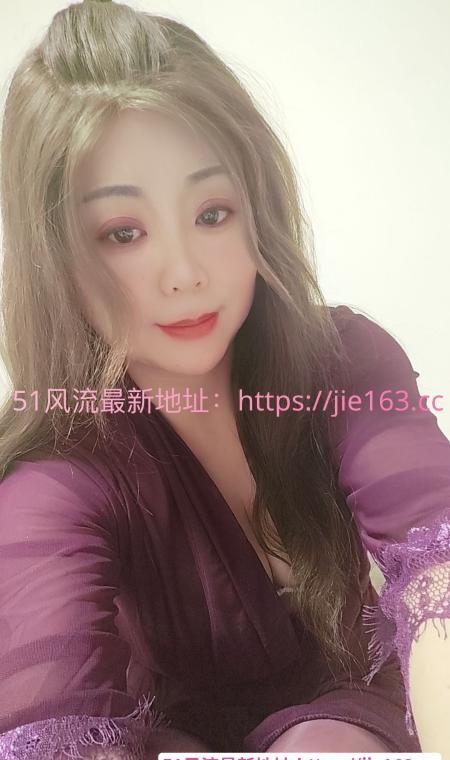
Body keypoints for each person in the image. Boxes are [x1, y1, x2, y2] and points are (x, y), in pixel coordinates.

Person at [0, 1, 449, 758]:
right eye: (123, 233)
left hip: (357, 724)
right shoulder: (59, 468)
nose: (185, 274)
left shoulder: (339, 361)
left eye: (212, 213)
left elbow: (437, 561)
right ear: (57, 257)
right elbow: (50, 715)